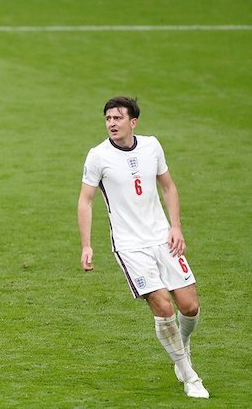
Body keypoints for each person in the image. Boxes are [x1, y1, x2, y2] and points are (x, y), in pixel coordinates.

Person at [77, 97, 209, 399]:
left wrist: (175, 227)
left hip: (163, 238)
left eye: (117, 118)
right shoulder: (98, 156)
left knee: (190, 307)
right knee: (163, 307)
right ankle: (189, 375)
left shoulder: (152, 146)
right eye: (108, 118)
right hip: (129, 245)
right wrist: (87, 245)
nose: (111, 123)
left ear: (133, 122)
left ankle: (182, 346)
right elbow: (85, 200)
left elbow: (168, 187)